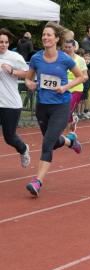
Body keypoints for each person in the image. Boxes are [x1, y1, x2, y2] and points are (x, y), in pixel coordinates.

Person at [25, 22, 84, 197]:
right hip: (42, 106)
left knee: (47, 144)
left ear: (57, 39)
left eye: (49, 35)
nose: (45, 37)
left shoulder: (65, 58)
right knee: (51, 141)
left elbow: (82, 77)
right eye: (44, 35)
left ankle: (37, 182)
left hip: (60, 106)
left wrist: (66, 87)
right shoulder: (36, 58)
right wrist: (31, 84)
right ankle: (70, 142)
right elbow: (29, 79)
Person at [0, 28, 30, 168]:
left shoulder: (14, 57)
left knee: (9, 137)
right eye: (0, 42)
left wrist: (12, 71)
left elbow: (28, 74)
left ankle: (23, 149)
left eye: (6, 42)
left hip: (10, 104)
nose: (3, 45)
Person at [63, 39, 88, 132]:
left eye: (69, 47)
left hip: (76, 88)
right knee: (65, 110)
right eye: (65, 47)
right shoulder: (61, 58)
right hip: (64, 88)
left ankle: (69, 134)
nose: (67, 49)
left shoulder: (80, 60)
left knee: (68, 108)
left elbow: (85, 76)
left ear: (74, 47)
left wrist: (78, 79)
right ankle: (72, 122)